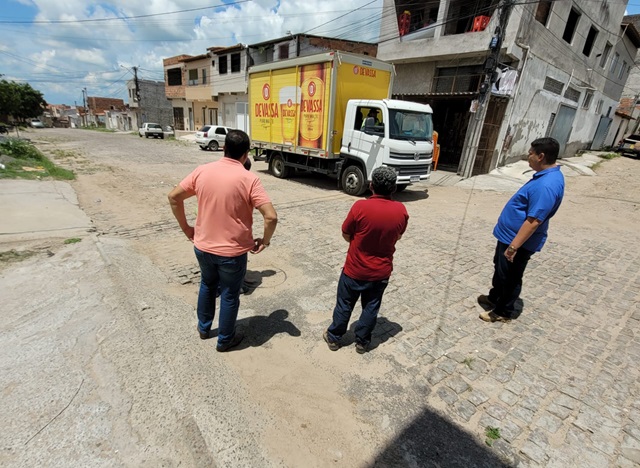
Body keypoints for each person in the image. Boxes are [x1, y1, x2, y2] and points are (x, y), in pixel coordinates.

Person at [168, 130, 278, 351]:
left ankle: (204, 328)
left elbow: (173, 197)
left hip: (202, 246)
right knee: (229, 295)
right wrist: (264, 241)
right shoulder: (249, 179)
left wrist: (187, 228)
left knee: (207, 285)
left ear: (224, 148)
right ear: (246, 154)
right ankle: (225, 340)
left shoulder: (202, 171)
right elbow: (271, 216)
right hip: (232, 253)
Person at [478, 137, 564, 322]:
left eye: (531, 153)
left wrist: (513, 247)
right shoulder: (545, 176)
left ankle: (502, 311)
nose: (528, 156)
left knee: (510, 276)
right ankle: (495, 297)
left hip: (517, 241)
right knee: (500, 269)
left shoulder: (547, 185)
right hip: (508, 236)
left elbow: (534, 221)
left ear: (541, 156)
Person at [323, 166, 409, 354]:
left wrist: (357, 241)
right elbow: (398, 236)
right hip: (380, 272)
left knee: (344, 304)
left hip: (354, 269)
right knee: (371, 307)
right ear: (393, 188)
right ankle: (362, 342)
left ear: (371, 186)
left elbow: (346, 233)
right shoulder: (401, 211)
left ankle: (334, 337)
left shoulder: (360, 207)